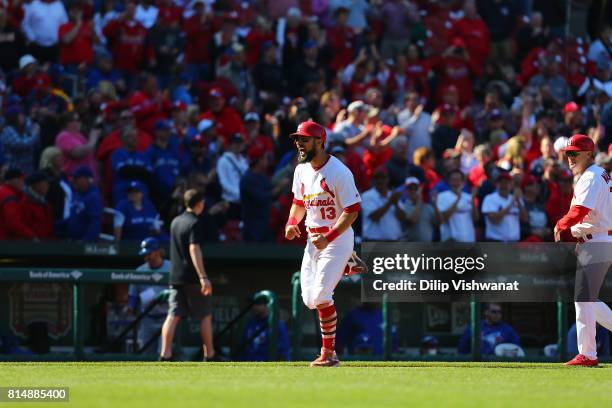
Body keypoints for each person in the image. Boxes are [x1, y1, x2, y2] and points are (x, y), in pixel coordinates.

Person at [285, 121, 362, 367]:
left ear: (320, 141)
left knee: (321, 296)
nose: (299, 143)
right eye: (297, 139)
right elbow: (298, 203)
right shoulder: (301, 170)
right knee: (309, 300)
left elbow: (352, 211)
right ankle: (347, 263)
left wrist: (329, 238)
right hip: (313, 238)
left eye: (304, 139)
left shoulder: (339, 172)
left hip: (336, 238)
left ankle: (329, 353)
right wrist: (291, 222)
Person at [553, 134, 612, 366]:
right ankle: (587, 354)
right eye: (568, 153)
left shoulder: (591, 176)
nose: (570, 157)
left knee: (584, 298)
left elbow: (579, 210)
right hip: (597, 239)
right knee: (586, 299)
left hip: (597, 239)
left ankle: (587, 354)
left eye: (574, 153)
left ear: (589, 153)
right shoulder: (599, 174)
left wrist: (561, 224)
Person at [160, 189, 214, 361]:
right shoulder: (194, 223)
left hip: (175, 277)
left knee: (173, 314)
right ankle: (210, 354)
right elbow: (194, 248)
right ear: (199, 203)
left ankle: (165, 354)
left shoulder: (175, 221)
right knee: (205, 315)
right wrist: (203, 277)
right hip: (192, 278)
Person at [127, 237, 170, 354]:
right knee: (145, 353)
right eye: (145, 254)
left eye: (149, 254)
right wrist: (130, 308)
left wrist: (163, 296)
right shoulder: (140, 270)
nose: (146, 257)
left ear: (157, 252)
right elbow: (132, 295)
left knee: (163, 353)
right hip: (147, 318)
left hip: (167, 318)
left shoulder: (171, 268)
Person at [481, 172, 527, 242]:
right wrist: (511, 203)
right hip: (496, 242)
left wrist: (519, 202)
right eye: (501, 183)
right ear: (496, 185)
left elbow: (524, 219)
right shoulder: (489, 198)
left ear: (511, 185)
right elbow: (494, 220)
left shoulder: (516, 199)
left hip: (513, 243)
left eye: (507, 183)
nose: (504, 185)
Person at [361, 167, 403, 241]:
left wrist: (396, 204)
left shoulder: (392, 195)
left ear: (388, 179)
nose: (380, 181)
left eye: (383, 177)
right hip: (373, 242)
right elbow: (374, 217)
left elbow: (403, 218)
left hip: (394, 242)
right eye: (377, 178)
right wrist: (390, 202)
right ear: (373, 180)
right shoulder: (367, 196)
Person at [436, 170, 478, 242]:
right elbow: (443, 218)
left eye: (458, 180)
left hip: (469, 240)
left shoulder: (468, 197)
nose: (456, 183)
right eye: (453, 180)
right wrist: (458, 199)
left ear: (463, 182)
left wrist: (473, 201)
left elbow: (476, 218)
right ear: (449, 182)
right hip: (450, 242)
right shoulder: (441, 196)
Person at [65, 166, 103, 242]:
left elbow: (95, 223)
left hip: (84, 245)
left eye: (77, 178)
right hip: (74, 241)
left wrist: (84, 242)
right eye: (74, 178)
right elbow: (74, 218)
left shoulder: (93, 197)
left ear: (88, 179)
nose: (74, 181)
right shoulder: (78, 194)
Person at [0, 167, 37, 240]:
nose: (23, 183)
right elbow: (13, 223)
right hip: (6, 241)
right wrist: (32, 237)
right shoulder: (9, 196)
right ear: (14, 180)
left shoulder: (6, 192)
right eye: (21, 179)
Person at [401, 177, 436, 242]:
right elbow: (413, 220)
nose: (413, 191)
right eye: (410, 189)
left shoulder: (427, 206)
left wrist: (435, 205)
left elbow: (439, 222)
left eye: (415, 188)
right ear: (406, 190)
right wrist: (419, 200)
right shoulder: (402, 206)